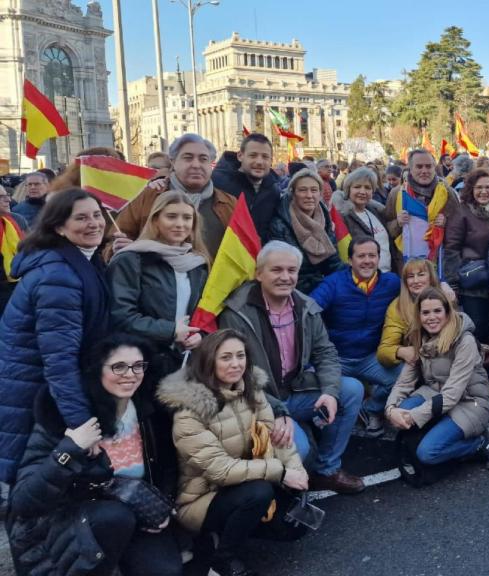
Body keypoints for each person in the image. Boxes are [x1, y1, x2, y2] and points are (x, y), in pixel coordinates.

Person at [9, 335, 182, 576]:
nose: (131, 374)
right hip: (73, 517)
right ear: (96, 369)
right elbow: (23, 502)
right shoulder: (66, 417)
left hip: (135, 509)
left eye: (138, 366)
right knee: (115, 518)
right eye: (119, 366)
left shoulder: (148, 409)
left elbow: (167, 467)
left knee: (166, 571)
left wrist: (162, 505)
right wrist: (70, 448)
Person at [217, 242, 365, 494]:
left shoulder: (306, 307)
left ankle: (327, 470)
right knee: (299, 449)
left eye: (291, 270)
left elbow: (325, 352)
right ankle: (276, 491)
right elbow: (234, 377)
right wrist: (275, 410)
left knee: (351, 389)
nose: (285, 277)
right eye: (276, 270)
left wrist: (329, 392)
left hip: (295, 391)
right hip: (259, 402)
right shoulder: (237, 313)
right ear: (258, 273)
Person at [157, 330, 308, 576]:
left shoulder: (251, 390)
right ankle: (221, 559)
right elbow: (220, 470)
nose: (236, 364)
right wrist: (280, 473)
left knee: (293, 526)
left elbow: (275, 437)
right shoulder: (189, 411)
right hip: (201, 498)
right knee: (260, 493)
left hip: (243, 482)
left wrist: (296, 471)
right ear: (209, 361)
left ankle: (234, 527)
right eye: (226, 357)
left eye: (240, 356)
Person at [0, 189, 110, 483]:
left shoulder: (81, 260)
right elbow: (60, 360)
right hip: (31, 388)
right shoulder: (58, 277)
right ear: (59, 227)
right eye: (81, 218)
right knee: (27, 481)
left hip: (34, 385)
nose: (94, 224)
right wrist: (82, 425)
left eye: (97, 215)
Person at [385, 287, 489, 469]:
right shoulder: (419, 336)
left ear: (448, 312)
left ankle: (477, 444)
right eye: (425, 312)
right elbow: (404, 382)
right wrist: (391, 409)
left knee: (427, 454)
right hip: (435, 394)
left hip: (469, 402)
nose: (431, 317)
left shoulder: (465, 341)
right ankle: (442, 430)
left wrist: (414, 416)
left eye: (437, 311)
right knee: (399, 414)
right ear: (419, 315)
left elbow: (452, 394)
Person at [107, 191, 209, 380]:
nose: (180, 224)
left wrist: (201, 334)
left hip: (187, 363)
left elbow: (204, 312)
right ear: (155, 220)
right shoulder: (131, 259)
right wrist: (170, 331)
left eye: (187, 218)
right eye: (171, 216)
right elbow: (121, 316)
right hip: (143, 363)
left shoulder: (197, 263)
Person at [311, 238, 402, 437]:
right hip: (337, 358)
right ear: (350, 260)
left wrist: (445, 289)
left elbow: (420, 293)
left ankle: (371, 409)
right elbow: (309, 309)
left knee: (404, 374)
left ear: (379, 258)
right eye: (361, 256)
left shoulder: (392, 283)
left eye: (372, 256)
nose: (367, 261)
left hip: (371, 357)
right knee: (316, 388)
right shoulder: (333, 283)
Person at [115, 134, 236, 257]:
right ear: (173, 162)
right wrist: (122, 250)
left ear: (211, 163)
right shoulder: (148, 197)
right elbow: (113, 240)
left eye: (203, 159)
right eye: (188, 158)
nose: (196, 165)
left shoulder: (229, 203)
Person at [444, 168, 489, 343]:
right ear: (471, 189)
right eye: (479, 187)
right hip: (473, 285)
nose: (484, 191)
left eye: (488, 187)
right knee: (476, 331)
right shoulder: (462, 212)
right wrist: (453, 283)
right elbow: (452, 249)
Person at [268, 168, 344, 294]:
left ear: (320, 194)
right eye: (303, 190)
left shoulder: (325, 219)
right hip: (293, 291)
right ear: (293, 193)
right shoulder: (279, 224)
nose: (309, 195)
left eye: (314, 190)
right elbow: (282, 269)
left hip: (323, 288)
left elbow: (333, 263)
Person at [384, 149, 457, 268]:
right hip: (407, 265)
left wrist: (446, 222)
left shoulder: (447, 192)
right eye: (419, 167)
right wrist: (397, 223)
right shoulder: (397, 193)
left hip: (439, 264)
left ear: (434, 168)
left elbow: (459, 227)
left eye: (428, 166)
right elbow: (386, 228)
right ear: (410, 169)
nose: (424, 171)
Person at [377, 258, 455, 369]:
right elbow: (384, 351)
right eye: (410, 277)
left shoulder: (447, 298)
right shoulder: (397, 307)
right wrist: (400, 351)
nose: (416, 281)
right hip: (417, 365)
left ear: (431, 277)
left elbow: (459, 333)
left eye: (421, 274)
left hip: (448, 361)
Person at [213, 132, 282, 243]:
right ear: (240, 156)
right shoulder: (217, 183)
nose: (259, 162)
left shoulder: (274, 191)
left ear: (271, 160)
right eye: (253, 155)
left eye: (265, 157)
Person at [335, 166, 400, 274]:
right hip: (362, 280)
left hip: (386, 276)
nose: (362, 191)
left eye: (367, 188)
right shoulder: (343, 217)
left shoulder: (376, 212)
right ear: (348, 189)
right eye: (357, 187)